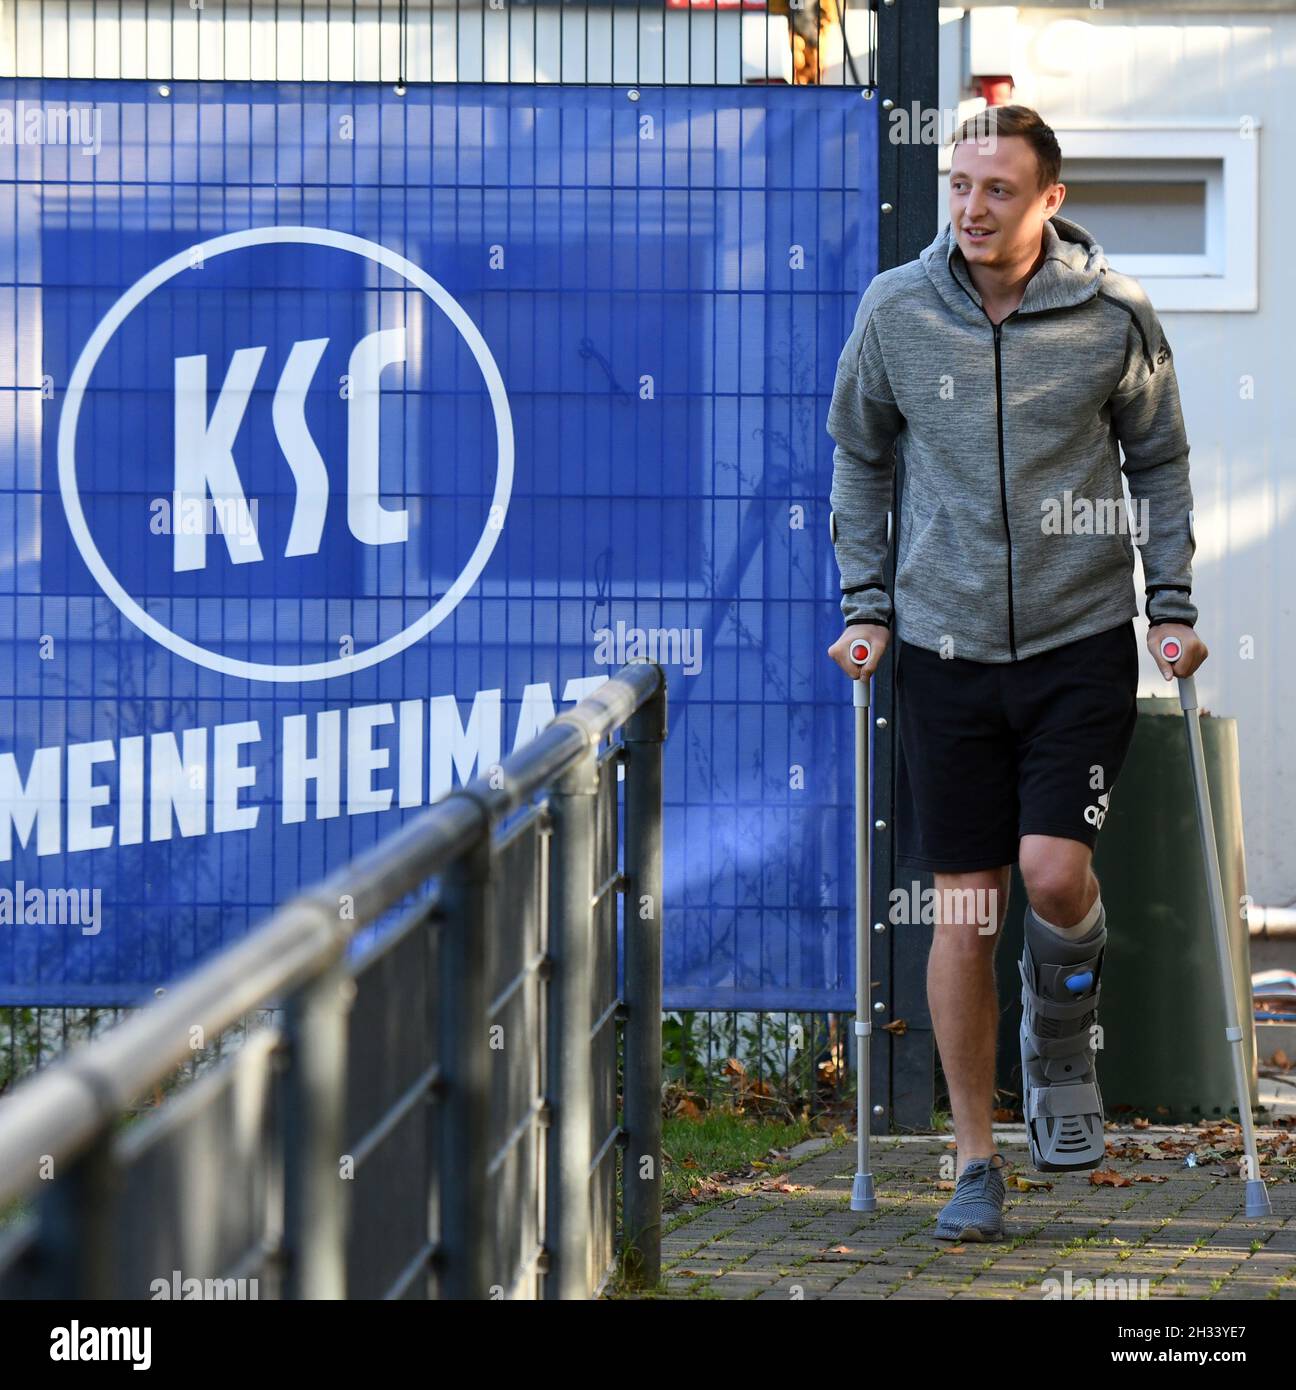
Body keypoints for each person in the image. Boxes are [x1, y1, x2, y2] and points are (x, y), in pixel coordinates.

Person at [824, 104, 1208, 1243]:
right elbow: (859, 450)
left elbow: (1162, 461)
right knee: (968, 908)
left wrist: (1172, 602)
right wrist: (867, 603)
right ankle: (976, 1158)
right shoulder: (897, 309)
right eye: (959, 185)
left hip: (1077, 636)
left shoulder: (1113, 315)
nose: (971, 209)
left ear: (1050, 199)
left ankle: (1062, 1016)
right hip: (942, 651)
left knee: (1049, 875)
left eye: (997, 189)